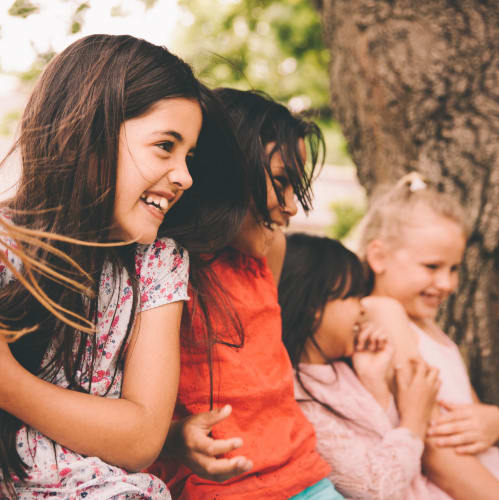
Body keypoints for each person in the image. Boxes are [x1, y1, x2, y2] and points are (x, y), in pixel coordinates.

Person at [0, 34, 248, 499]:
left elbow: (139, 438)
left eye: (189, 156)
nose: (185, 176)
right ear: (88, 133)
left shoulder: (157, 264)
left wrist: (9, 384)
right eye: (164, 146)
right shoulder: (6, 250)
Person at [148, 89, 344, 499]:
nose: (292, 207)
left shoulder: (265, 254)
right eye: (281, 182)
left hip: (306, 477)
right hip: (219, 489)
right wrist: (173, 438)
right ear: (225, 171)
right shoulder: (162, 270)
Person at [278, 232, 455, 500]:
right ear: (314, 306)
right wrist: (414, 421)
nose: (362, 310)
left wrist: (374, 380)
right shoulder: (299, 400)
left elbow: (383, 438)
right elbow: (375, 486)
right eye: (353, 298)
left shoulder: (342, 369)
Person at [358, 172, 499, 499]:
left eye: (454, 268)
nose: (448, 284)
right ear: (379, 257)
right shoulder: (383, 312)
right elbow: (436, 453)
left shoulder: (427, 327)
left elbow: (469, 416)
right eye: (432, 267)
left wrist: (493, 420)